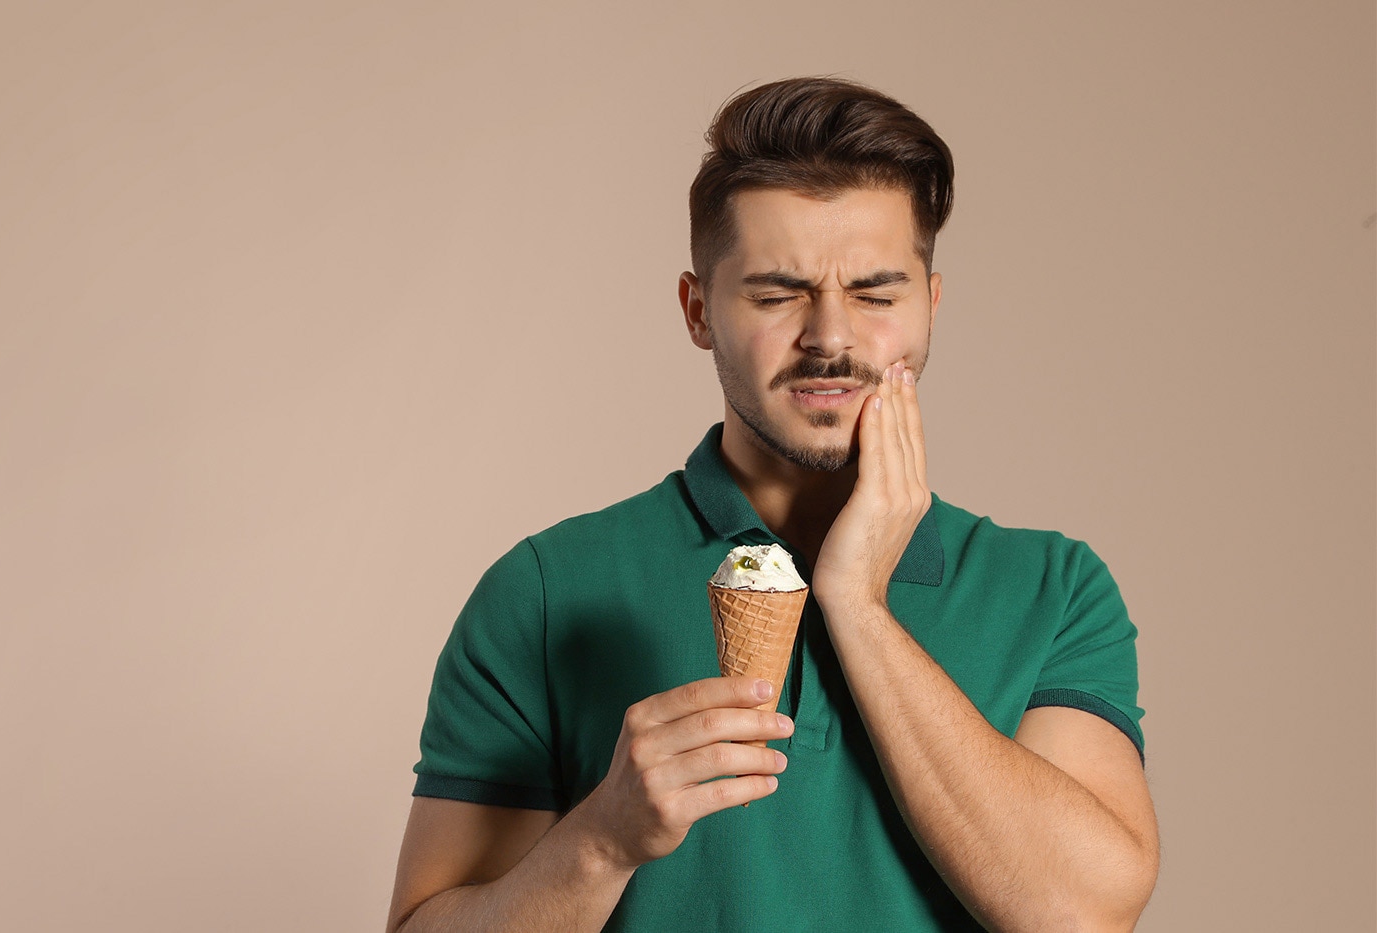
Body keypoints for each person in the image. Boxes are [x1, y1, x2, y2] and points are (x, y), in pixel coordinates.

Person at [386, 76, 1159, 933]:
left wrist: (858, 604)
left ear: (929, 309)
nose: (830, 336)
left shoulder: (1053, 589)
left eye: (875, 294)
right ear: (698, 310)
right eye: (777, 293)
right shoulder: (544, 589)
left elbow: (1082, 914)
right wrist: (602, 840)